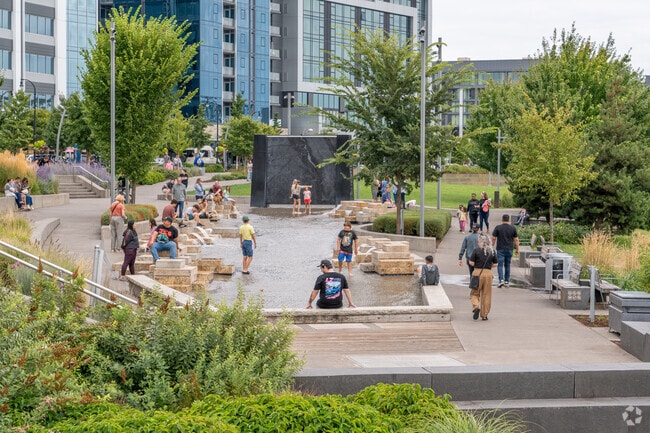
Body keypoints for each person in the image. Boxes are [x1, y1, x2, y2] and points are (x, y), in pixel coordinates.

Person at [469, 233, 498, 321]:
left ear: (480, 241)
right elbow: (496, 264)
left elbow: (471, 262)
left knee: (474, 293)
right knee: (486, 295)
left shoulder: (476, 250)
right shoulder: (492, 251)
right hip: (488, 274)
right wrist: (489, 265)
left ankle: (476, 306)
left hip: (477, 272)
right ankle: (484, 315)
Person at [491, 214, 520, 288]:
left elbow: (493, 238)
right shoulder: (512, 228)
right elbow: (516, 239)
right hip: (509, 249)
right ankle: (507, 281)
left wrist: (492, 245)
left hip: (500, 249)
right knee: (507, 265)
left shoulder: (498, 228)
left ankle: (501, 280)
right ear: (509, 220)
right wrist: (517, 249)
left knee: (500, 265)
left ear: (502, 219)